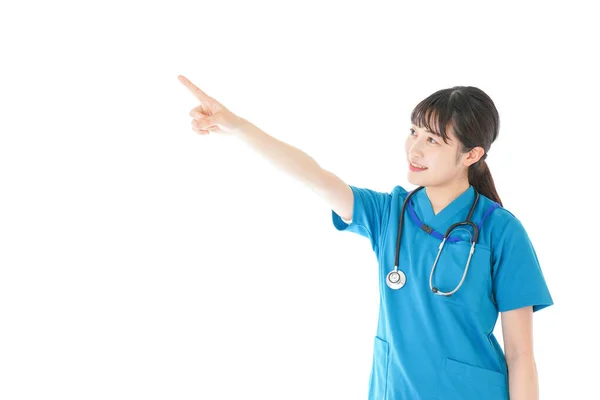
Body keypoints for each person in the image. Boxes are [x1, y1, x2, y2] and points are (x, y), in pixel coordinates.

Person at [178, 75, 553, 400]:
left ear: (472, 154)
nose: (415, 149)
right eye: (413, 132)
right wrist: (238, 127)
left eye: (434, 141)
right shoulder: (389, 215)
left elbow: (520, 354)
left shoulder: (501, 231)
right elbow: (314, 177)